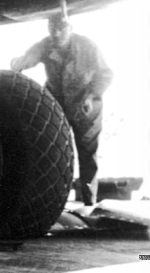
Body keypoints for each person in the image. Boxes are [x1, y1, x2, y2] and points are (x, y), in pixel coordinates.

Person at [10, 14, 113, 212]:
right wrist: (18, 63)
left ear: (70, 28)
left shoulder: (88, 46)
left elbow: (106, 74)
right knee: (53, 152)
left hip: (86, 108)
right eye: (52, 28)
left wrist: (91, 96)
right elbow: (27, 60)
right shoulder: (45, 45)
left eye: (61, 29)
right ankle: (53, 201)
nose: (56, 33)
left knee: (88, 154)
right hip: (57, 106)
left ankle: (89, 203)